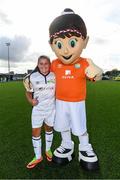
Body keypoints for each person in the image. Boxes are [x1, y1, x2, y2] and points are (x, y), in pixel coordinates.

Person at [49, 8, 103, 170]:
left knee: (80, 127)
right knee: (63, 125)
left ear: (84, 41)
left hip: (77, 102)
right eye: (59, 44)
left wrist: (97, 73)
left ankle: (85, 147)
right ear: (52, 45)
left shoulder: (86, 62)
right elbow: (43, 76)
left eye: (72, 43)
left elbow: (96, 74)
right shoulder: (54, 64)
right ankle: (67, 145)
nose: (65, 50)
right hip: (60, 102)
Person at [23, 55, 55, 169]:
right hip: (38, 110)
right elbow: (27, 91)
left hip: (51, 108)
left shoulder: (54, 75)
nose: (43, 66)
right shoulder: (32, 77)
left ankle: (48, 150)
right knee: (35, 132)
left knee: (49, 129)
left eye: (46, 63)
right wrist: (31, 101)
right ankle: (38, 156)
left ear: (49, 64)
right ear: (38, 64)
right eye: (41, 63)